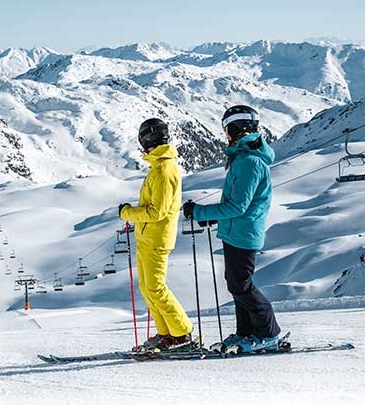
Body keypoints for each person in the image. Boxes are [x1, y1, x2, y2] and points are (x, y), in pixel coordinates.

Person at [183, 105, 281, 353]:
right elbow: (237, 204)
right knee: (236, 283)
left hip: (243, 233)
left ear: (238, 128)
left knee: (241, 285)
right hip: (236, 231)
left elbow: (237, 206)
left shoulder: (249, 162)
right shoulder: (242, 159)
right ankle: (245, 332)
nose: (225, 135)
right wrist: (213, 218)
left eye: (227, 129)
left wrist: (200, 212)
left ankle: (268, 333)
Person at [119, 118, 194, 352]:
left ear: (147, 139)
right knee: (147, 287)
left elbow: (157, 211)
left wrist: (128, 213)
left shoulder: (163, 169)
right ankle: (166, 333)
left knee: (156, 288)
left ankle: (181, 333)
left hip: (156, 238)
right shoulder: (159, 166)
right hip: (147, 237)